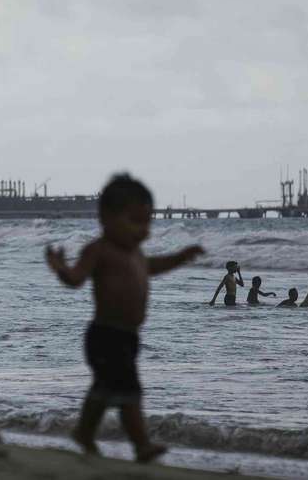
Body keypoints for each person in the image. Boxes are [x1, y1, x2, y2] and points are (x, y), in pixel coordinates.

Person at [45, 174, 204, 463]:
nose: (144, 230)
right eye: (135, 221)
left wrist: (180, 257)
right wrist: (60, 268)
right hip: (105, 334)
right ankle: (141, 445)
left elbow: (153, 266)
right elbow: (77, 278)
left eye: (147, 222)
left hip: (128, 336)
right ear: (106, 218)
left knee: (105, 388)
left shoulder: (136, 253)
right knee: (129, 390)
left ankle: (83, 432)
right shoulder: (99, 249)